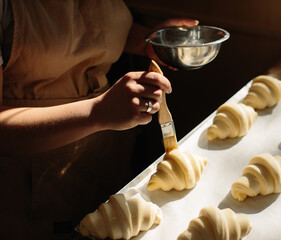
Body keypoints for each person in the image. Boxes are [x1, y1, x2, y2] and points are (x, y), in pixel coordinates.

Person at [0, 0, 198, 239]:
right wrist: (97, 112)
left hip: (106, 163)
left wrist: (147, 40)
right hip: (33, 192)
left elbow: (91, 31)